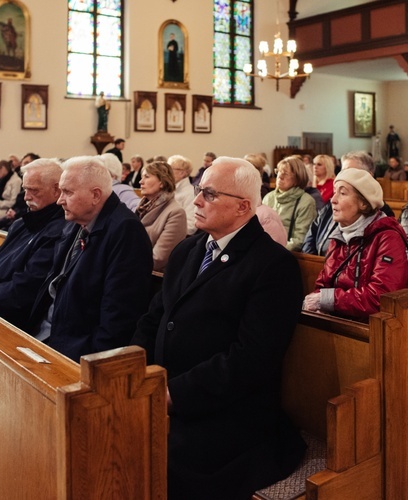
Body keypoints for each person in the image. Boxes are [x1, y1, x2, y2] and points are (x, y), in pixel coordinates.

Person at [131, 156, 306, 499]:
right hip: (163, 388)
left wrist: (174, 393)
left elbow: (251, 359)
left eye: (209, 194)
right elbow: (154, 318)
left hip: (226, 410)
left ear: (243, 207)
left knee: (159, 460)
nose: (196, 200)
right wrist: (134, 368)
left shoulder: (273, 265)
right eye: (199, 190)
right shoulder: (188, 250)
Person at [27, 155, 153, 362]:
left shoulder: (125, 231)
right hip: (49, 335)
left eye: (67, 192)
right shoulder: (77, 222)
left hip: (77, 353)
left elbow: (119, 316)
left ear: (95, 195)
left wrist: (89, 368)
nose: (59, 200)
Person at [0, 159, 68, 330]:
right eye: (25, 189)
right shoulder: (21, 223)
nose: (26, 197)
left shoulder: (60, 230)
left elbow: (25, 287)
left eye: (34, 190)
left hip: (9, 316)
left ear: (57, 189)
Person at [303, 168, 408, 320]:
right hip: (339, 321)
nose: (333, 199)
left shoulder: (388, 238)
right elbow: (323, 284)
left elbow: (381, 297)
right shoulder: (339, 235)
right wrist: (318, 303)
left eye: (343, 193)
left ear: (364, 203)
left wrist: (327, 300)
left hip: (372, 328)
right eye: (334, 192)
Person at [303, 151, 393, 256]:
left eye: (350, 171)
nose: (343, 176)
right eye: (342, 171)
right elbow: (311, 236)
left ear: (368, 176)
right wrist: (313, 265)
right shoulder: (329, 207)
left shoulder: (382, 217)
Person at [136, 161, 187, 271]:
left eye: (147, 177)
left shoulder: (176, 213)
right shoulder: (140, 208)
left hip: (153, 278)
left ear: (162, 182)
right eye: (141, 177)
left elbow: (158, 259)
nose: (141, 182)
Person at [262, 155, 317, 251]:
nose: (280, 176)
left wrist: (273, 251)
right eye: (278, 171)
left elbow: (300, 239)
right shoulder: (269, 197)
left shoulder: (306, 201)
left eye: (286, 173)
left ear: (297, 178)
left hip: (286, 254)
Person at [168, 154, 196, 235]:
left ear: (182, 173)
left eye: (170, 169)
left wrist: (167, 229)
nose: (166, 173)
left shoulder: (190, 193)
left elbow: (191, 226)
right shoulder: (169, 190)